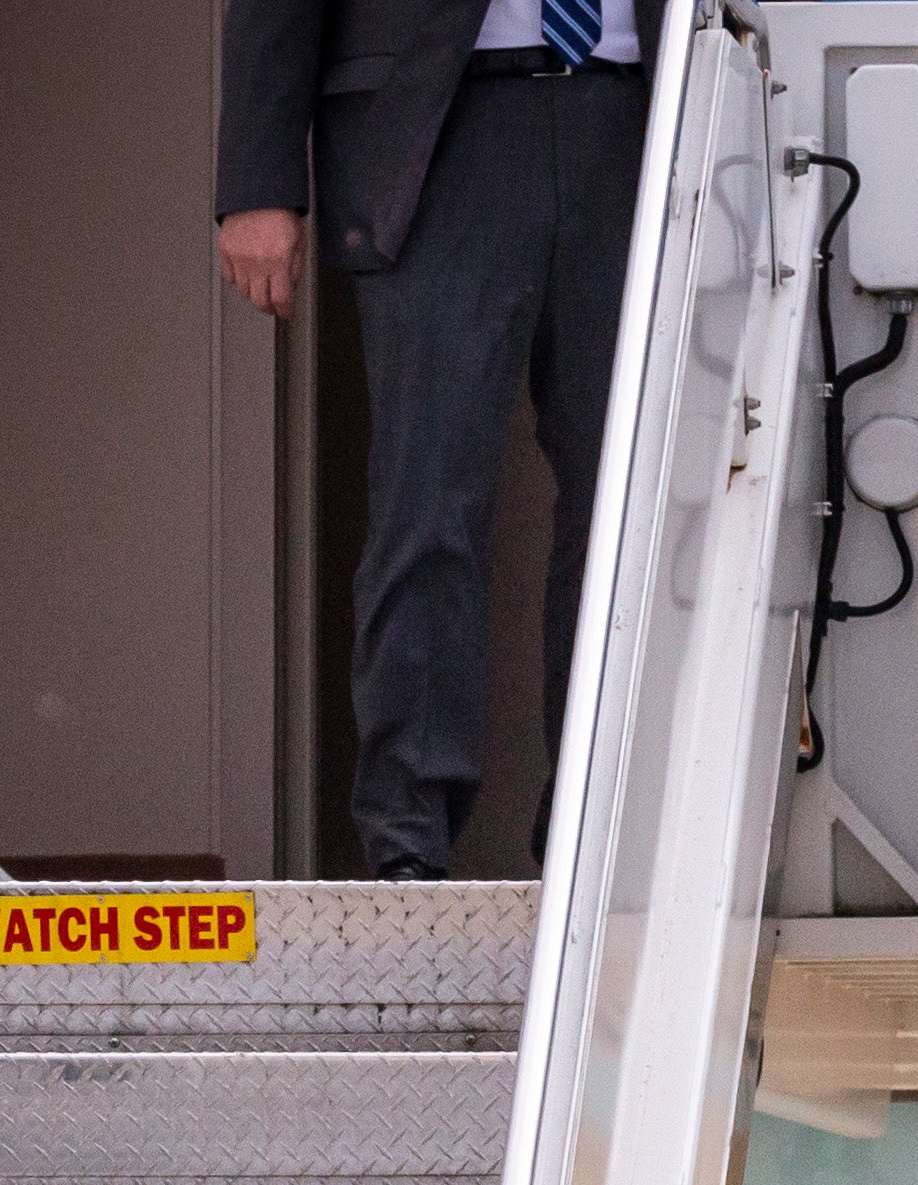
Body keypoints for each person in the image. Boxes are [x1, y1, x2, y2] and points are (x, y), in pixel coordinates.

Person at [216, 0, 651, 879]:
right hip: (439, 127)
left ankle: (602, 826)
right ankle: (408, 841)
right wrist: (259, 180)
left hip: (641, 118)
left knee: (631, 509)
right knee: (430, 499)